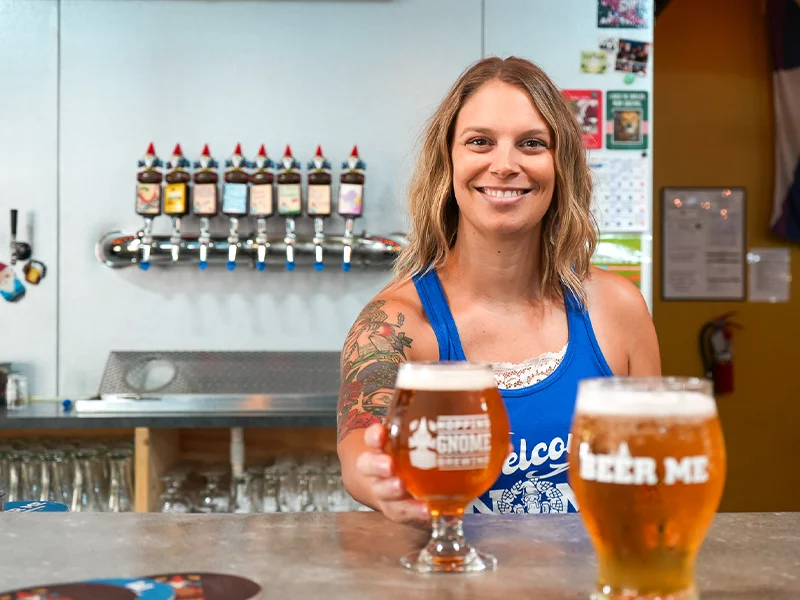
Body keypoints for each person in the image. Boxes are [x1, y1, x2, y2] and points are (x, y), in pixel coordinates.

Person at [336, 56, 660, 525]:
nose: (504, 165)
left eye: (531, 144)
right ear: (448, 161)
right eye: (479, 142)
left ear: (560, 164)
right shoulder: (397, 324)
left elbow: (652, 474)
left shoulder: (616, 308)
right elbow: (360, 453)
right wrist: (382, 480)